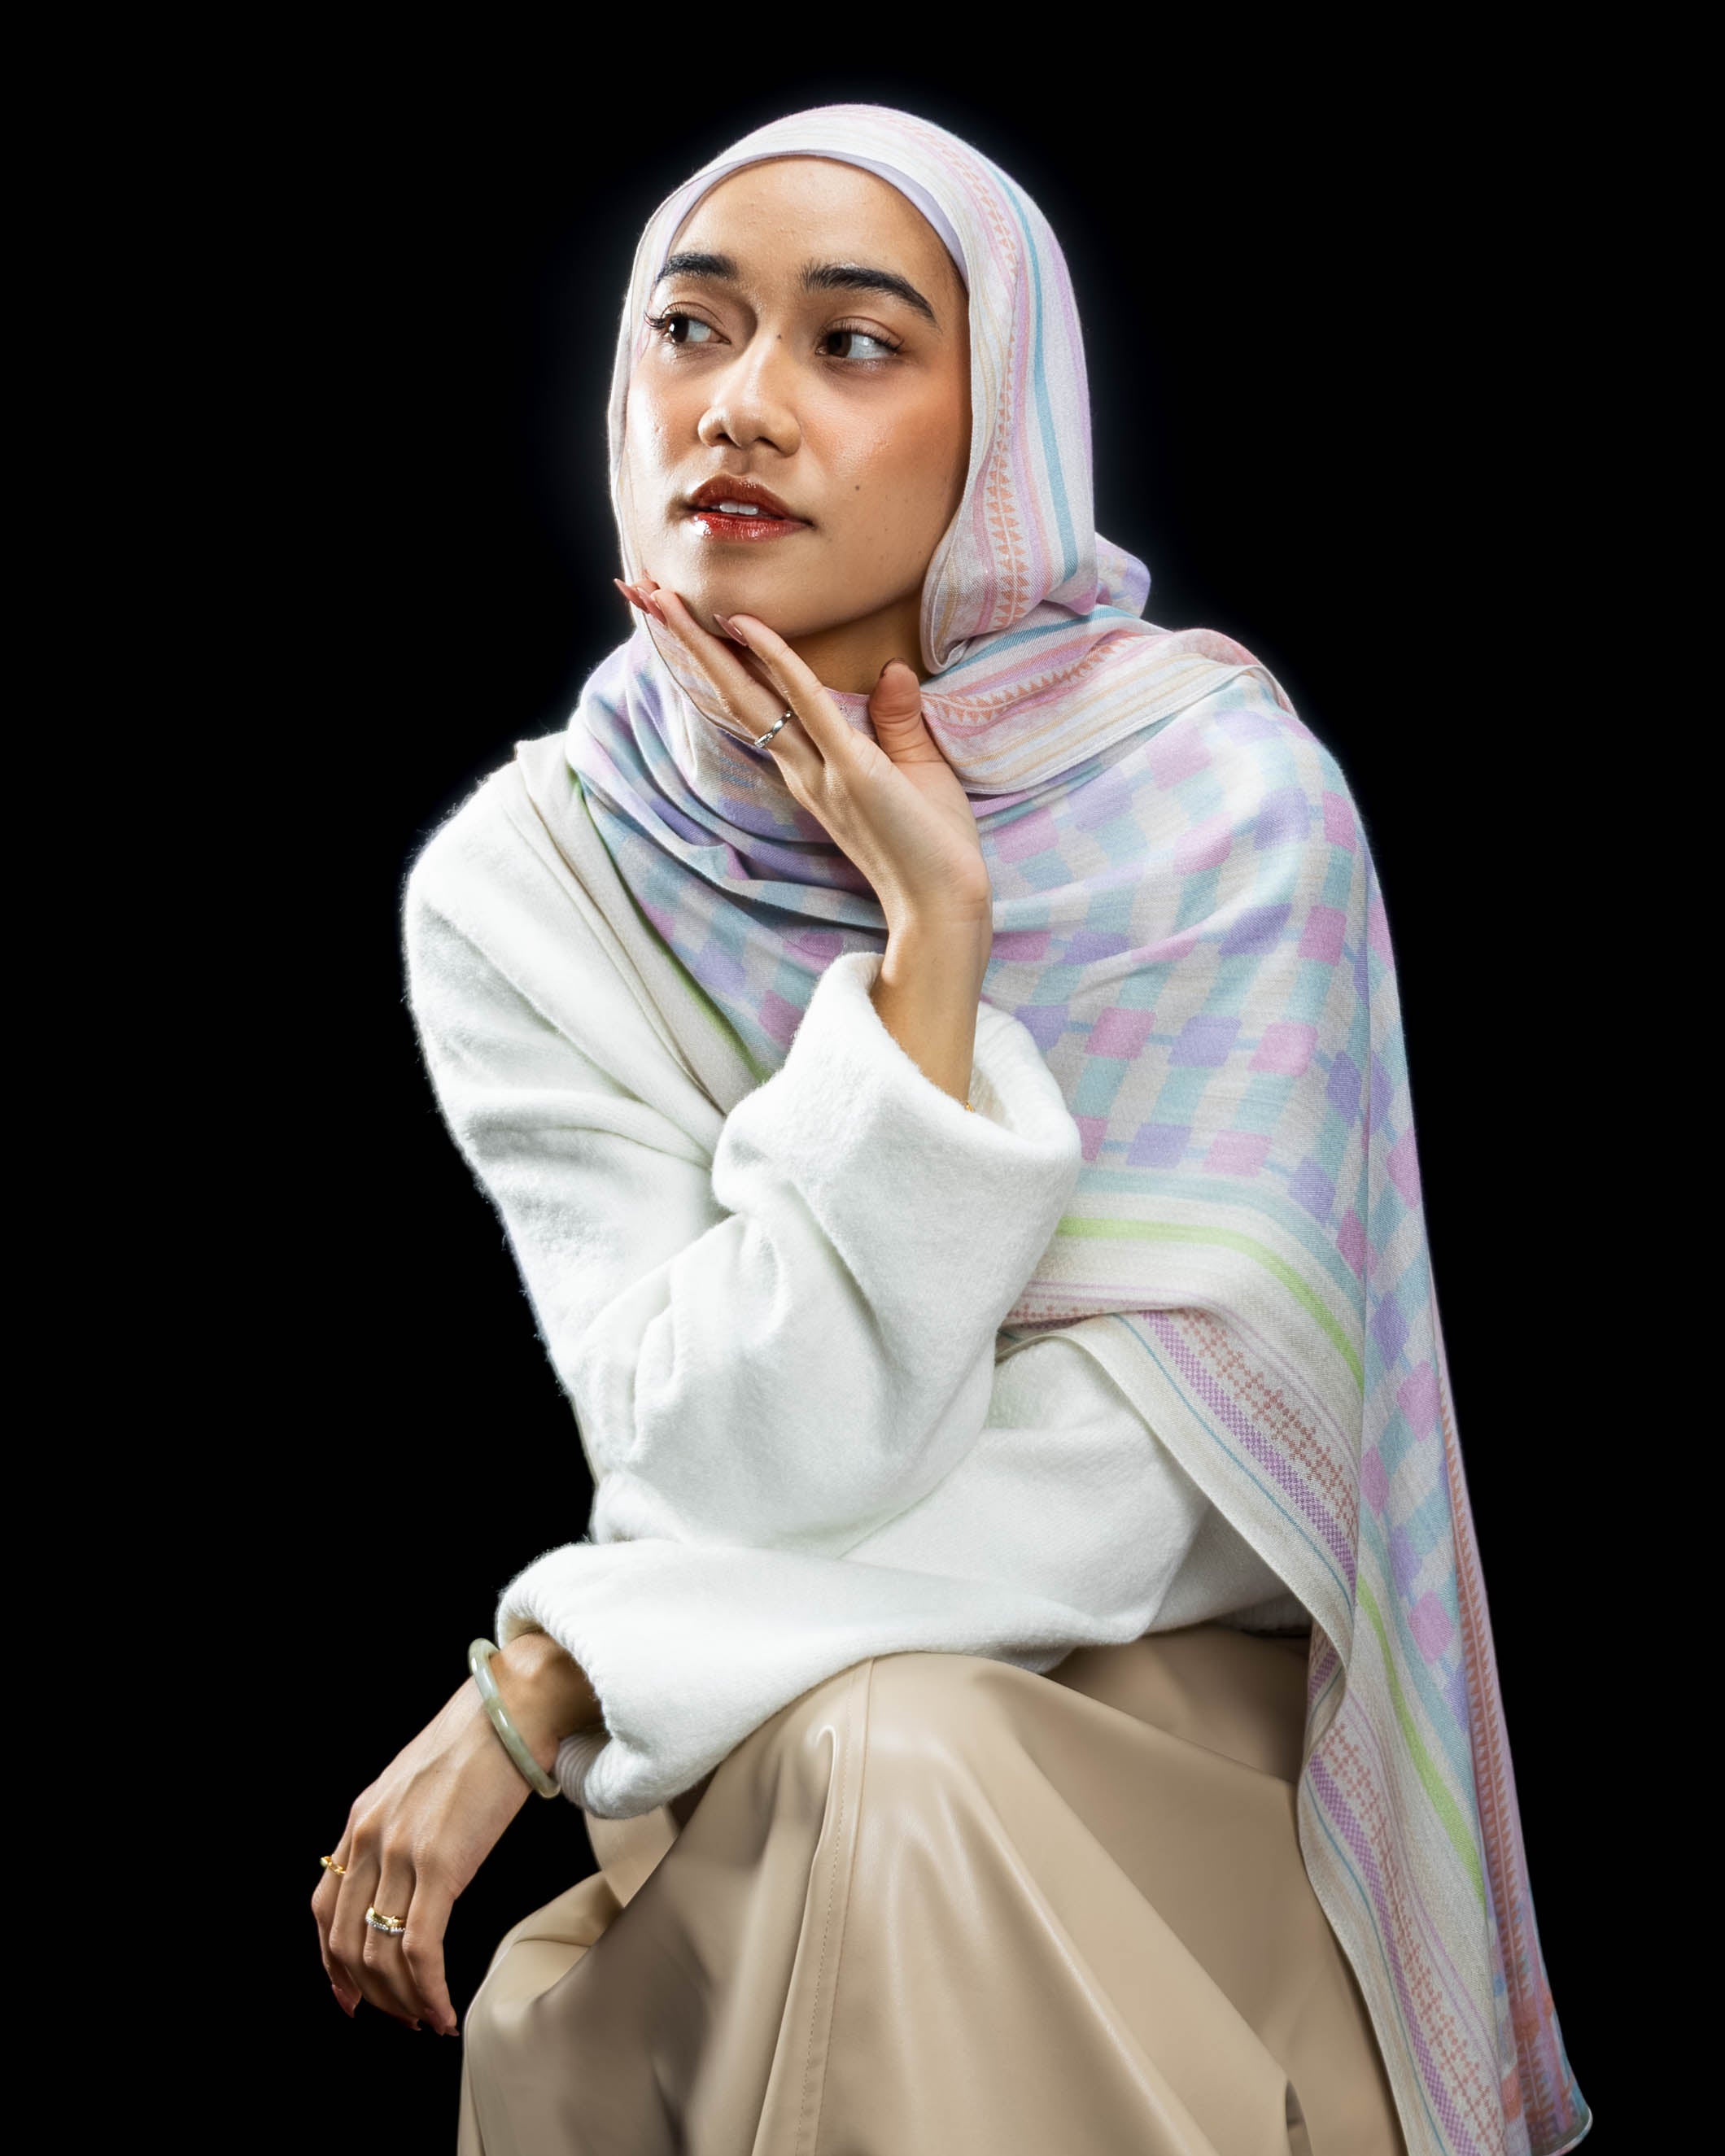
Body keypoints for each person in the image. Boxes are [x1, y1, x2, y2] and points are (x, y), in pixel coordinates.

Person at [309, 106, 1590, 2156]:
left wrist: (555, 1672)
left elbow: (1165, 1487)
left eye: (853, 343)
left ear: (1000, 433)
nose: (741, 405)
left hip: (1188, 1756)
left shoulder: (1214, 805)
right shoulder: (532, 879)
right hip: (762, 1751)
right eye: (690, 327)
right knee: (868, 1756)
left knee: (891, 1757)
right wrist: (924, 974)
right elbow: (716, 1452)